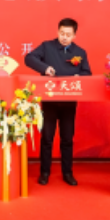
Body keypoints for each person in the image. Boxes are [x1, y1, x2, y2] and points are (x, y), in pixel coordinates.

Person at [25, 18, 91, 187]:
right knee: (47, 138)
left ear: (74, 35)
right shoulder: (47, 46)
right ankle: (44, 172)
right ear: (57, 32)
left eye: (68, 34)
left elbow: (87, 74)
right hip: (49, 100)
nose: (64, 37)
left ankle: (67, 172)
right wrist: (45, 68)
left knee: (67, 138)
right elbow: (29, 58)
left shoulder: (80, 52)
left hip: (69, 102)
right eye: (62, 33)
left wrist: (79, 77)